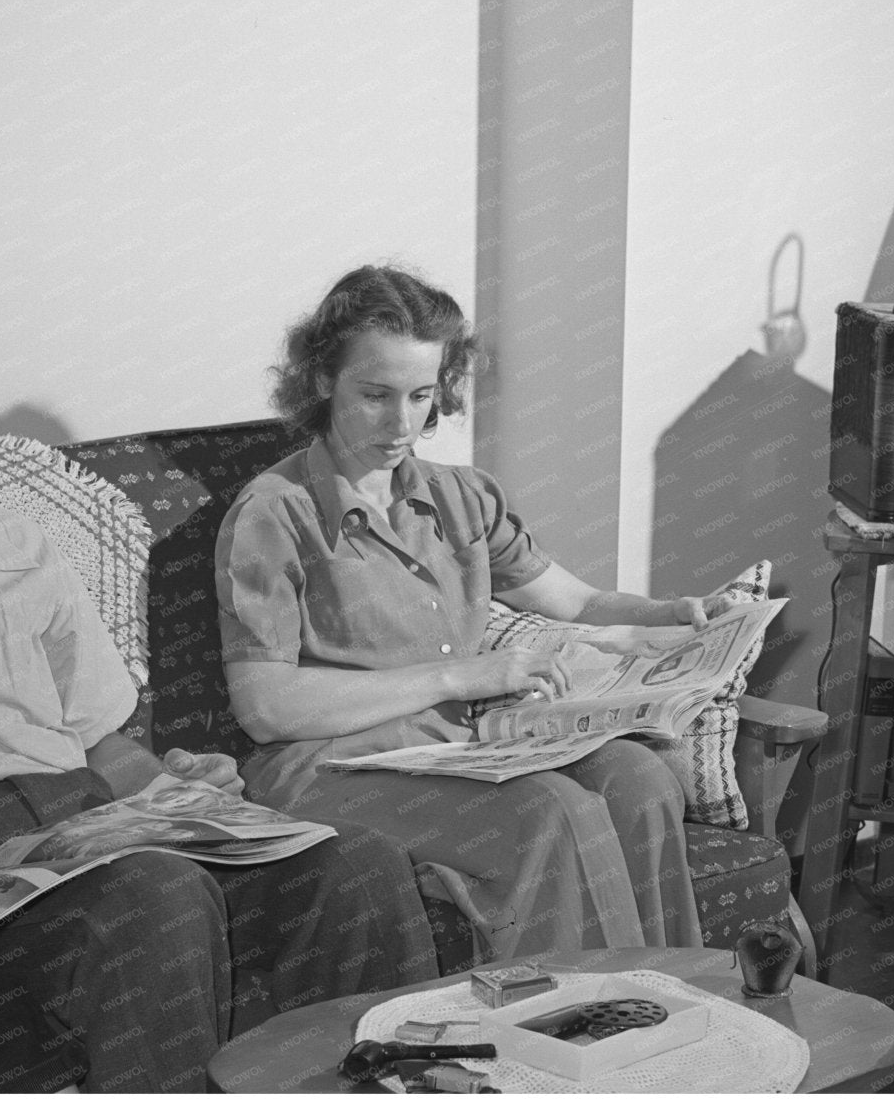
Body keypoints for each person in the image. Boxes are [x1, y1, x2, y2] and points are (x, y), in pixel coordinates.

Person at [0, 306, 437, 1092]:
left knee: (353, 863)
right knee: (155, 898)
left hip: (74, 827)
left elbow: (105, 746)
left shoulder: (19, 545)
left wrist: (181, 794)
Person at [215, 264, 736, 960]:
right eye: (375, 395)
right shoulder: (274, 513)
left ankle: (675, 1009)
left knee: (640, 782)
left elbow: (575, 601)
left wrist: (677, 613)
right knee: (553, 810)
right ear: (321, 380)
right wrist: (464, 676)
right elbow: (265, 708)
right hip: (332, 770)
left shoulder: (461, 497)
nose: (403, 423)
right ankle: (576, 1034)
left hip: (466, 749)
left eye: (422, 396)